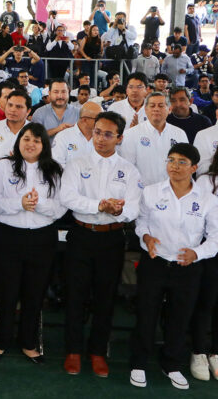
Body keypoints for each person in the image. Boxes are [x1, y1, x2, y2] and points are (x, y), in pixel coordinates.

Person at [126, 143, 217, 390]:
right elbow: (141, 221)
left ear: (195, 167)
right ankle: (139, 363)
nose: (174, 166)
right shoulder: (152, 192)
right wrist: (146, 237)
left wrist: (196, 253)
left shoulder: (208, 200)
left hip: (187, 268)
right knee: (146, 315)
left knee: (180, 318)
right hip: (154, 263)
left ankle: (172, 365)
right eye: (171, 160)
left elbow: (215, 238)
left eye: (182, 162)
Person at [60, 111, 142, 378]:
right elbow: (68, 198)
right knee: (75, 294)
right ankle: (73, 350)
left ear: (119, 138)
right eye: (97, 132)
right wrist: (99, 205)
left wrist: (118, 212)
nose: (101, 139)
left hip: (112, 238)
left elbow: (133, 206)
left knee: (105, 298)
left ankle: (97, 352)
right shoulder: (77, 163)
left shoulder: (128, 170)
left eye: (108, 134)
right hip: (81, 236)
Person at [0, 123, 66, 362]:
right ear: (18, 141)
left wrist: (37, 205)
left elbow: (61, 208)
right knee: (7, 293)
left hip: (42, 239)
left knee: (34, 293)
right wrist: (18, 205)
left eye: (37, 140)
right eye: (26, 139)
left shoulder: (55, 170)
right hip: (8, 237)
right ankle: (1, 341)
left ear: (44, 145)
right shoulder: (3, 166)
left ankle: (29, 343)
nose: (30, 144)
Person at [119, 92, 188, 187]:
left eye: (161, 106)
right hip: (142, 193)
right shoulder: (131, 134)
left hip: (172, 192)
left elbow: (185, 166)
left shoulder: (179, 134)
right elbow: (127, 169)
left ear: (169, 109)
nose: (156, 109)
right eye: (152, 106)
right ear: (146, 109)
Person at [190, 148, 218, 382]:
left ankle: (215, 352)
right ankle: (198, 351)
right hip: (210, 251)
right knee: (206, 302)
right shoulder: (206, 181)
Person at [0, 89, 31, 162]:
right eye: (10, 105)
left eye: (18, 107)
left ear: (28, 111)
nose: (13, 109)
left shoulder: (35, 131)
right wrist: (4, 162)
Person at [51, 101, 103, 167]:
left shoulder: (104, 138)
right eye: (98, 119)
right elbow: (57, 166)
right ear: (85, 120)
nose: (102, 122)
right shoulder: (63, 137)